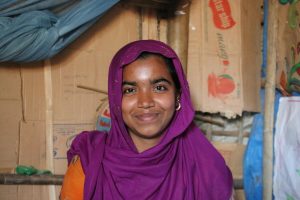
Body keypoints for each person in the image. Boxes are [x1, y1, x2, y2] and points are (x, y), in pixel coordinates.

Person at [60, 40, 233, 200]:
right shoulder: (89, 161)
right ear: (115, 100)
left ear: (178, 96)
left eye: (159, 87)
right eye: (130, 90)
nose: (145, 102)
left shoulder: (208, 168)